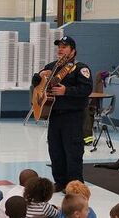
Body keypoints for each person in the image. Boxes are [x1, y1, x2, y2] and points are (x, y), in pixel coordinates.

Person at [31, 36, 93, 192]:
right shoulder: (51, 66)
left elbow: (86, 90)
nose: (60, 49)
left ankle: (75, 186)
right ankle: (60, 182)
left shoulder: (81, 68)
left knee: (72, 151)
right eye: (59, 46)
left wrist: (67, 91)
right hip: (54, 115)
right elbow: (35, 84)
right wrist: (39, 75)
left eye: (64, 47)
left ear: (73, 51)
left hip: (72, 116)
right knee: (55, 150)